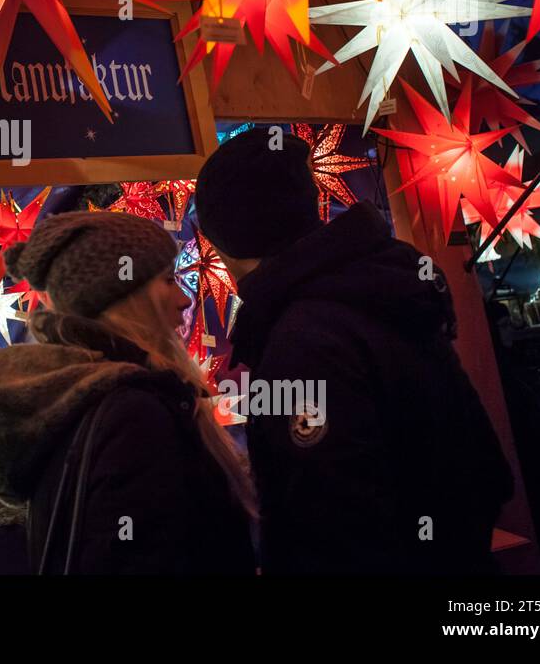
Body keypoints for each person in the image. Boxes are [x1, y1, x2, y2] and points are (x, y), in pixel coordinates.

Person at [194, 127, 513, 574]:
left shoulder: (302, 340)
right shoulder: (375, 291)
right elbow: (480, 465)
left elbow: (330, 526)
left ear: (227, 238)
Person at [0, 211, 257, 575]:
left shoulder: (82, 396)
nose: (184, 299)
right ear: (122, 295)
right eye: (167, 280)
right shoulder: (133, 411)